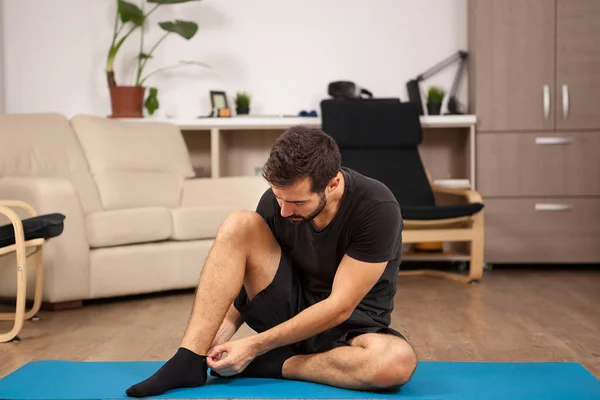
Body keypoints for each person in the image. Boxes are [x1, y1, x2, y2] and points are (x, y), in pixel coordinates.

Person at [125, 125, 417, 398]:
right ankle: (187, 358)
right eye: (280, 198)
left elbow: (339, 308)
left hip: (351, 328)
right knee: (239, 222)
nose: (285, 211)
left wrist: (253, 347)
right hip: (288, 314)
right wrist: (216, 340)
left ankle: (277, 364)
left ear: (333, 183)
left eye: (298, 202)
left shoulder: (377, 207)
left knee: (396, 362)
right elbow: (247, 276)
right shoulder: (276, 203)